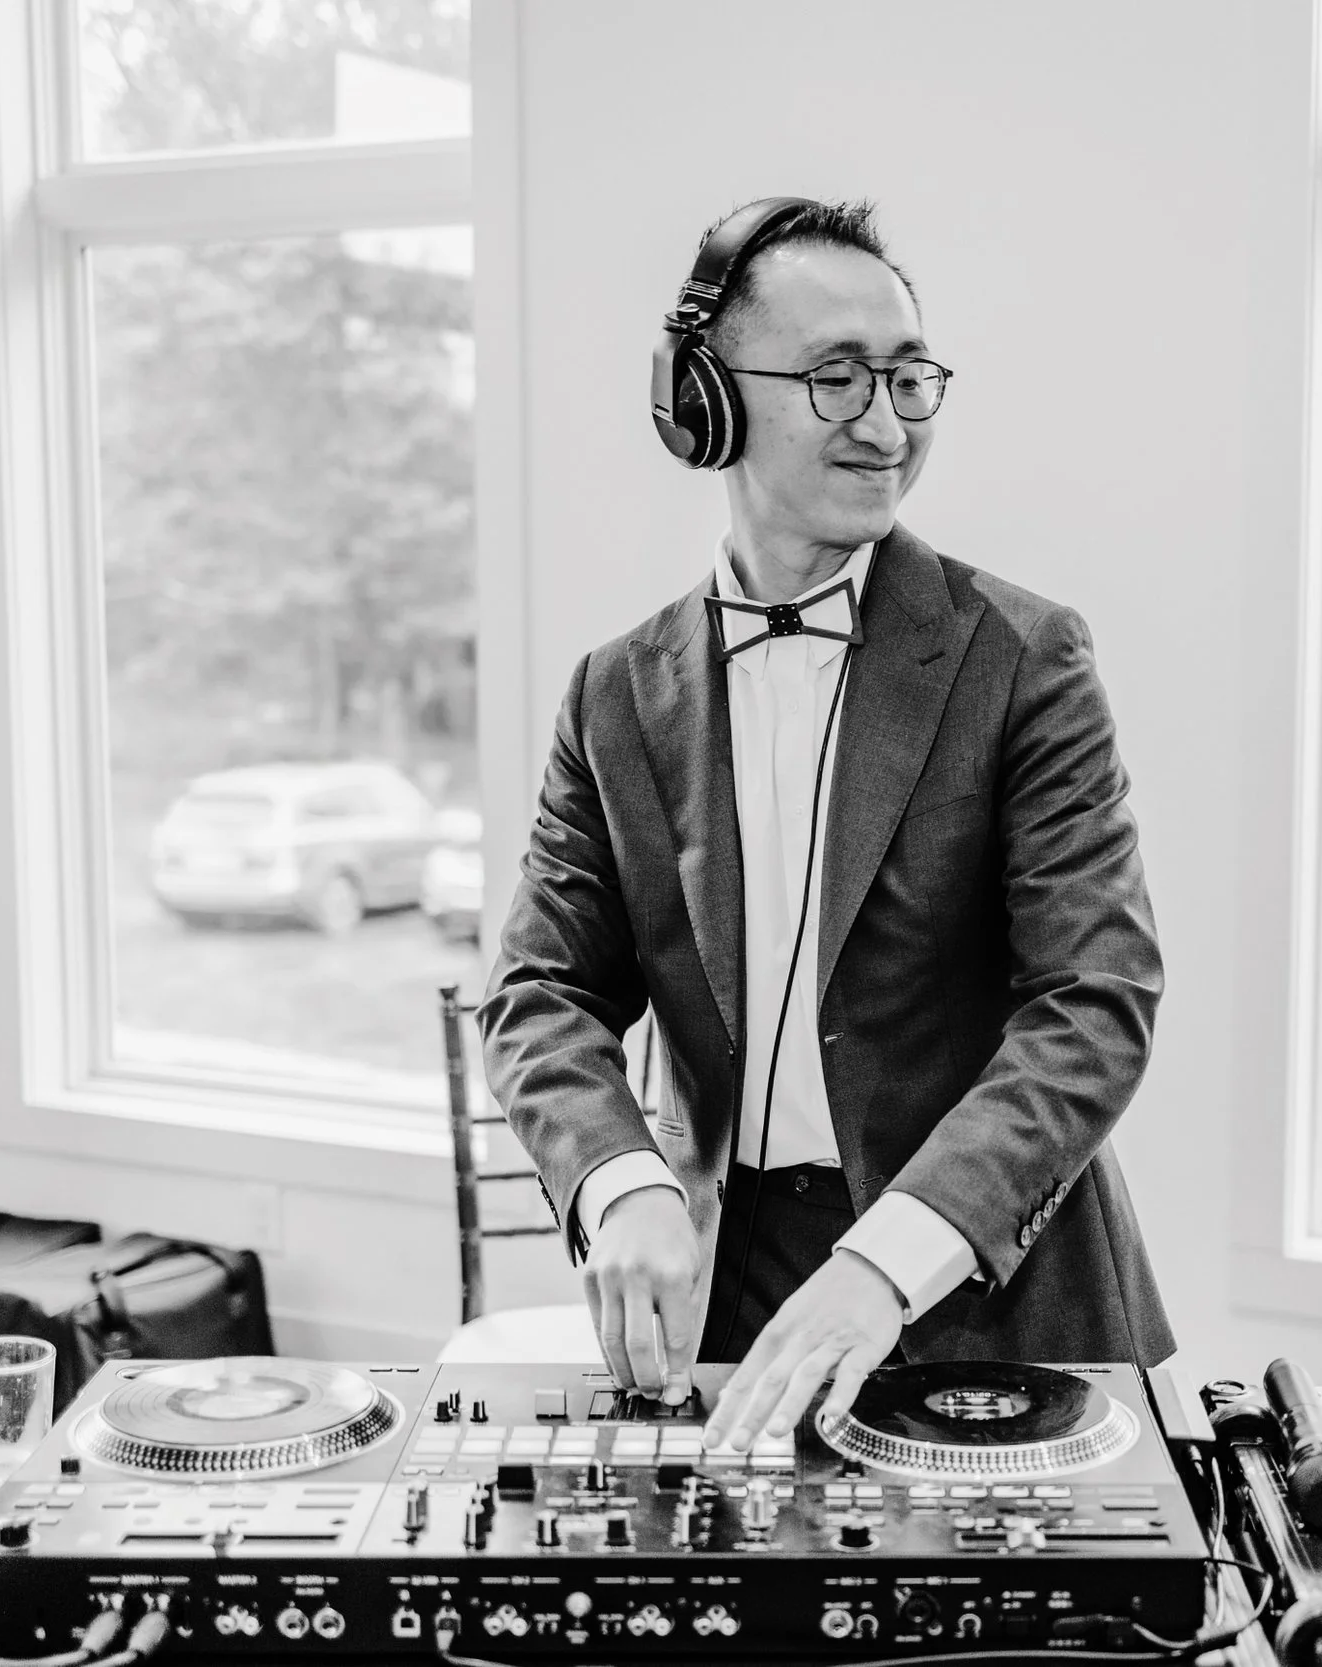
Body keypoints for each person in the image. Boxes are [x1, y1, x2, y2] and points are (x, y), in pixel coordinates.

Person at [480, 197, 1171, 1452]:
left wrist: (886, 1261)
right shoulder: (614, 692)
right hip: (729, 1297)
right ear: (703, 400)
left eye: (909, 378)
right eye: (836, 377)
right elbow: (540, 989)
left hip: (992, 1299)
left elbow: (1095, 998)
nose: (887, 424)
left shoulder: (1027, 656)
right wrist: (620, 1180)